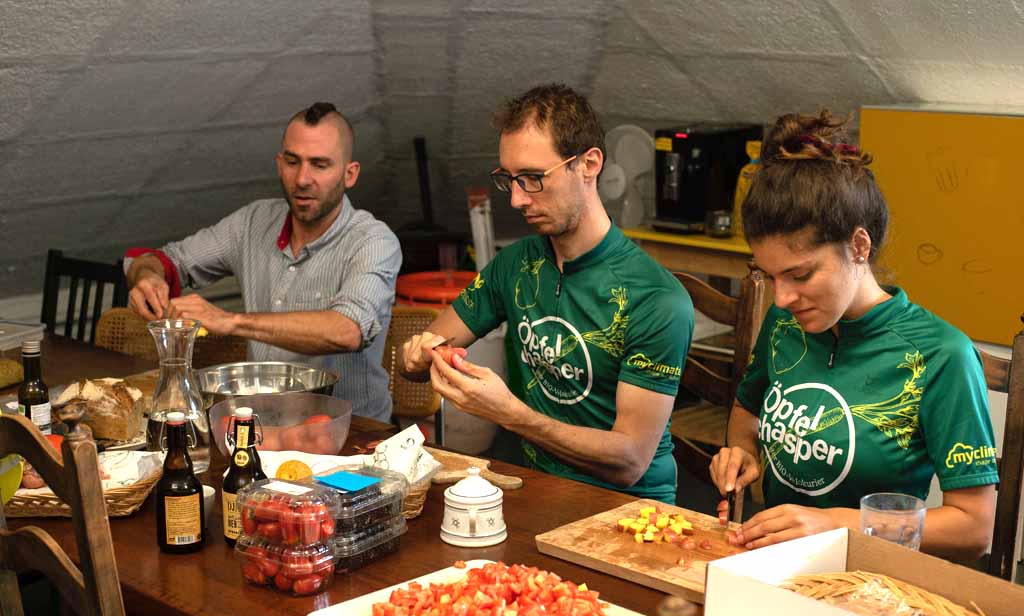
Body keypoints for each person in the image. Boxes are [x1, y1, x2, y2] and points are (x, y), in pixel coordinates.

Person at [710, 109, 998, 559]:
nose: (782, 298)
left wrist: (835, 523)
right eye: (769, 275)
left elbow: (974, 526)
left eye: (800, 274)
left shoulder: (940, 355)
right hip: (771, 562)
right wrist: (742, 451)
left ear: (859, 246)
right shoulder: (787, 322)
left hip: (872, 580)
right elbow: (747, 410)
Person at [401, 84, 694, 504]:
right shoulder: (517, 264)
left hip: (623, 510)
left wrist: (511, 414)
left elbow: (630, 461)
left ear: (590, 164)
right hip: (531, 488)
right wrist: (418, 355)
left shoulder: (656, 299)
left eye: (534, 179)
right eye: (509, 179)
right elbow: (429, 348)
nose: (518, 199)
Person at [124, 102, 401, 422]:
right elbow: (167, 260)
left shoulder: (374, 240)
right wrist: (147, 277)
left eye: (320, 165)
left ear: (349, 174)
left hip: (351, 434)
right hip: (260, 425)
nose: (302, 179)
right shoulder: (252, 222)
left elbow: (348, 330)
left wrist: (232, 321)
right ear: (279, 164)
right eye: (293, 162)